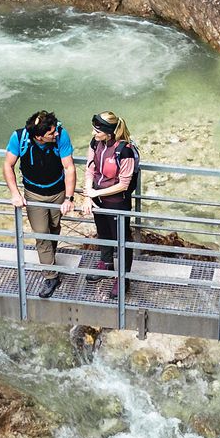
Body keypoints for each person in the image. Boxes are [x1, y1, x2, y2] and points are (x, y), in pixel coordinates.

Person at [3, 110, 76, 298]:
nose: (56, 134)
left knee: (53, 228)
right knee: (42, 234)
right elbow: (7, 165)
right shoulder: (19, 137)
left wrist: (69, 198)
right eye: (51, 133)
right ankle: (51, 276)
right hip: (34, 195)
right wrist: (15, 194)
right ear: (39, 137)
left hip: (57, 192)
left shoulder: (62, 135)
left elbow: (69, 167)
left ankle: (48, 259)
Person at [81, 110, 139, 301]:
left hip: (117, 203)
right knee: (103, 233)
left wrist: (95, 193)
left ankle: (123, 278)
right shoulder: (95, 143)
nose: (93, 133)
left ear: (109, 132)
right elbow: (90, 170)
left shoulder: (125, 151)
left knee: (122, 241)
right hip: (98, 199)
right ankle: (106, 263)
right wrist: (88, 196)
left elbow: (123, 184)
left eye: (97, 130)